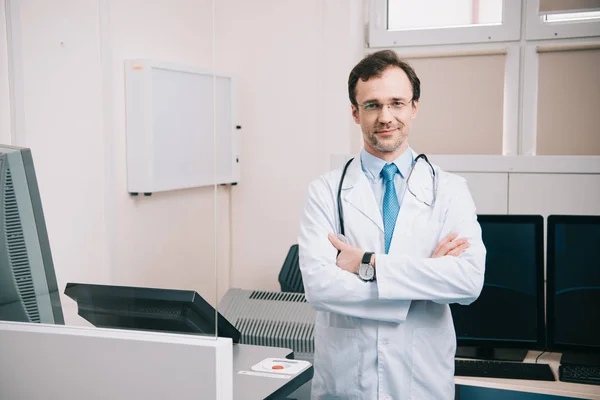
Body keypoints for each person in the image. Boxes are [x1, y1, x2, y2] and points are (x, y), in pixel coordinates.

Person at [298, 50, 486, 399]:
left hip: (422, 384)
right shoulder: (325, 191)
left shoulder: (450, 190)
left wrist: (368, 264)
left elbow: (468, 281)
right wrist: (422, 282)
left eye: (397, 102)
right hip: (346, 386)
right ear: (355, 113)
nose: (386, 117)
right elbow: (320, 287)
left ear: (414, 107)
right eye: (372, 105)